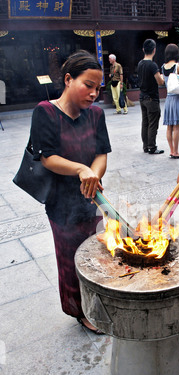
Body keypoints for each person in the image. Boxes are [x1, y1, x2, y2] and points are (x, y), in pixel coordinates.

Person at [30, 50, 112, 333]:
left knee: (97, 256)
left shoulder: (96, 115)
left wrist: (93, 175)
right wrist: (80, 169)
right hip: (61, 203)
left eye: (98, 88)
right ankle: (80, 311)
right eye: (87, 85)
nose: (93, 94)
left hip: (91, 200)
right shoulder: (46, 112)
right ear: (68, 79)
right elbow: (47, 157)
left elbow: (101, 154)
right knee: (70, 259)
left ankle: (98, 301)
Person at [137, 38, 165, 154]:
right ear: (154, 50)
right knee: (153, 123)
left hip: (142, 97)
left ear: (143, 50)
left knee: (145, 122)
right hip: (152, 98)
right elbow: (160, 82)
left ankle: (145, 146)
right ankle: (152, 147)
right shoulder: (152, 65)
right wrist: (162, 77)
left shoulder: (140, 63)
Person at [162, 44, 179, 159]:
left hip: (168, 99)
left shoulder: (163, 67)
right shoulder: (178, 66)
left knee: (169, 127)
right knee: (176, 126)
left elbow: (162, 81)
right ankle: (176, 151)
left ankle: (171, 150)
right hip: (176, 98)